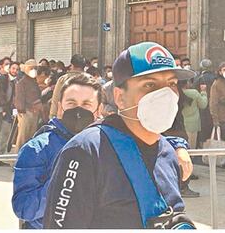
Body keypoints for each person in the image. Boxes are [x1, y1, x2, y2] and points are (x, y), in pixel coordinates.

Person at [41, 42, 195, 229]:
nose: (165, 94)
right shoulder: (86, 151)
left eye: (171, 83)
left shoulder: (169, 153)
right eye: (150, 84)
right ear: (120, 97)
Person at [12, 72, 104, 228]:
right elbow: (24, 208)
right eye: (71, 103)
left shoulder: (106, 146)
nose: (78, 110)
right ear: (60, 107)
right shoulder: (38, 149)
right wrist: (64, 182)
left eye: (86, 104)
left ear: (99, 109)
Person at [13, 60, 44, 151]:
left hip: (34, 112)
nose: (33, 70)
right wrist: (21, 110)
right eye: (31, 68)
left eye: (35, 68)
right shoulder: (21, 83)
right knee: (23, 136)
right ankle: (18, 154)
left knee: (31, 136)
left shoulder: (34, 82)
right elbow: (19, 98)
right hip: (26, 112)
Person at [47, 54, 87, 119]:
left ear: (72, 65)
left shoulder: (62, 79)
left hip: (65, 116)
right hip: (85, 117)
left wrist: (52, 116)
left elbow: (56, 99)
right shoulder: (91, 80)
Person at [180, 78, 208, 153]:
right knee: (191, 148)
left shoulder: (177, 93)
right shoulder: (194, 93)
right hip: (193, 124)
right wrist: (203, 92)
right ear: (187, 83)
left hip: (180, 124)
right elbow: (203, 104)